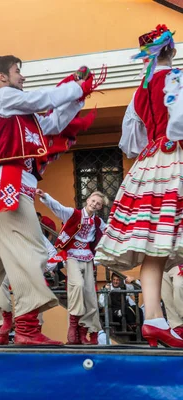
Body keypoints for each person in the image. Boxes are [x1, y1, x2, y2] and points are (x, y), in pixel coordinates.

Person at [0, 55, 102, 346]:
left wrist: (78, 97)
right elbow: (43, 99)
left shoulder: (21, 113)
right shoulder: (1, 98)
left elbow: (53, 122)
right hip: (8, 186)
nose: (22, 77)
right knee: (31, 251)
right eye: (17, 72)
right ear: (2, 77)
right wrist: (75, 87)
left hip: (15, 186)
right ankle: (26, 328)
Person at [95, 24, 183, 347]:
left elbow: (131, 142)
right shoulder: (175, 80)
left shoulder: (140, 91)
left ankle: (155, 320)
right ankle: (160, 320)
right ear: (171, 50)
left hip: (151, 162)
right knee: (162, 243)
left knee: (156, 248)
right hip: (175, 158)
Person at [38, 190, 107, 345]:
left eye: (98, 204)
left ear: (99, 207)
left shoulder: (98, 222)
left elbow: (110, 231)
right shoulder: (73, 214)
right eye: (93, 200)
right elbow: (58, 208)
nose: (94, 204)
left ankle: (86, 331)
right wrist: (45, 196)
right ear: (88, 199)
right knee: (77, 285)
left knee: (90, 295)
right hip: (72, 256)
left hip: (88, 257)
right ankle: (74, 324)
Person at [161, 266, 183, 336]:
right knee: (166, 294)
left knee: (178, 286)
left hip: (179, 260)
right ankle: (176, 326)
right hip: (163, 259)